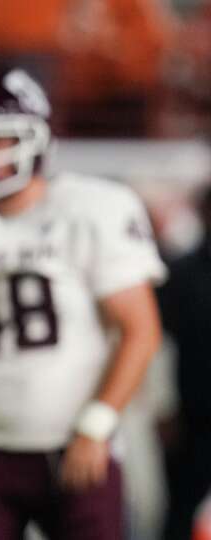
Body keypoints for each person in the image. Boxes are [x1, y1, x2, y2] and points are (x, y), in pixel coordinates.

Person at [0, 65, 165, 540]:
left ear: (36, 137)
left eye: (0, 140)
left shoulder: (89, 209)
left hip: (75, 447)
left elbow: (139, 330)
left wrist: (97, 424)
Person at [157, 185, 211, 540]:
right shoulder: (180, 274)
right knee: (182, 513)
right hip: (193, 420)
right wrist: (163, 408)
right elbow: (156, 345)